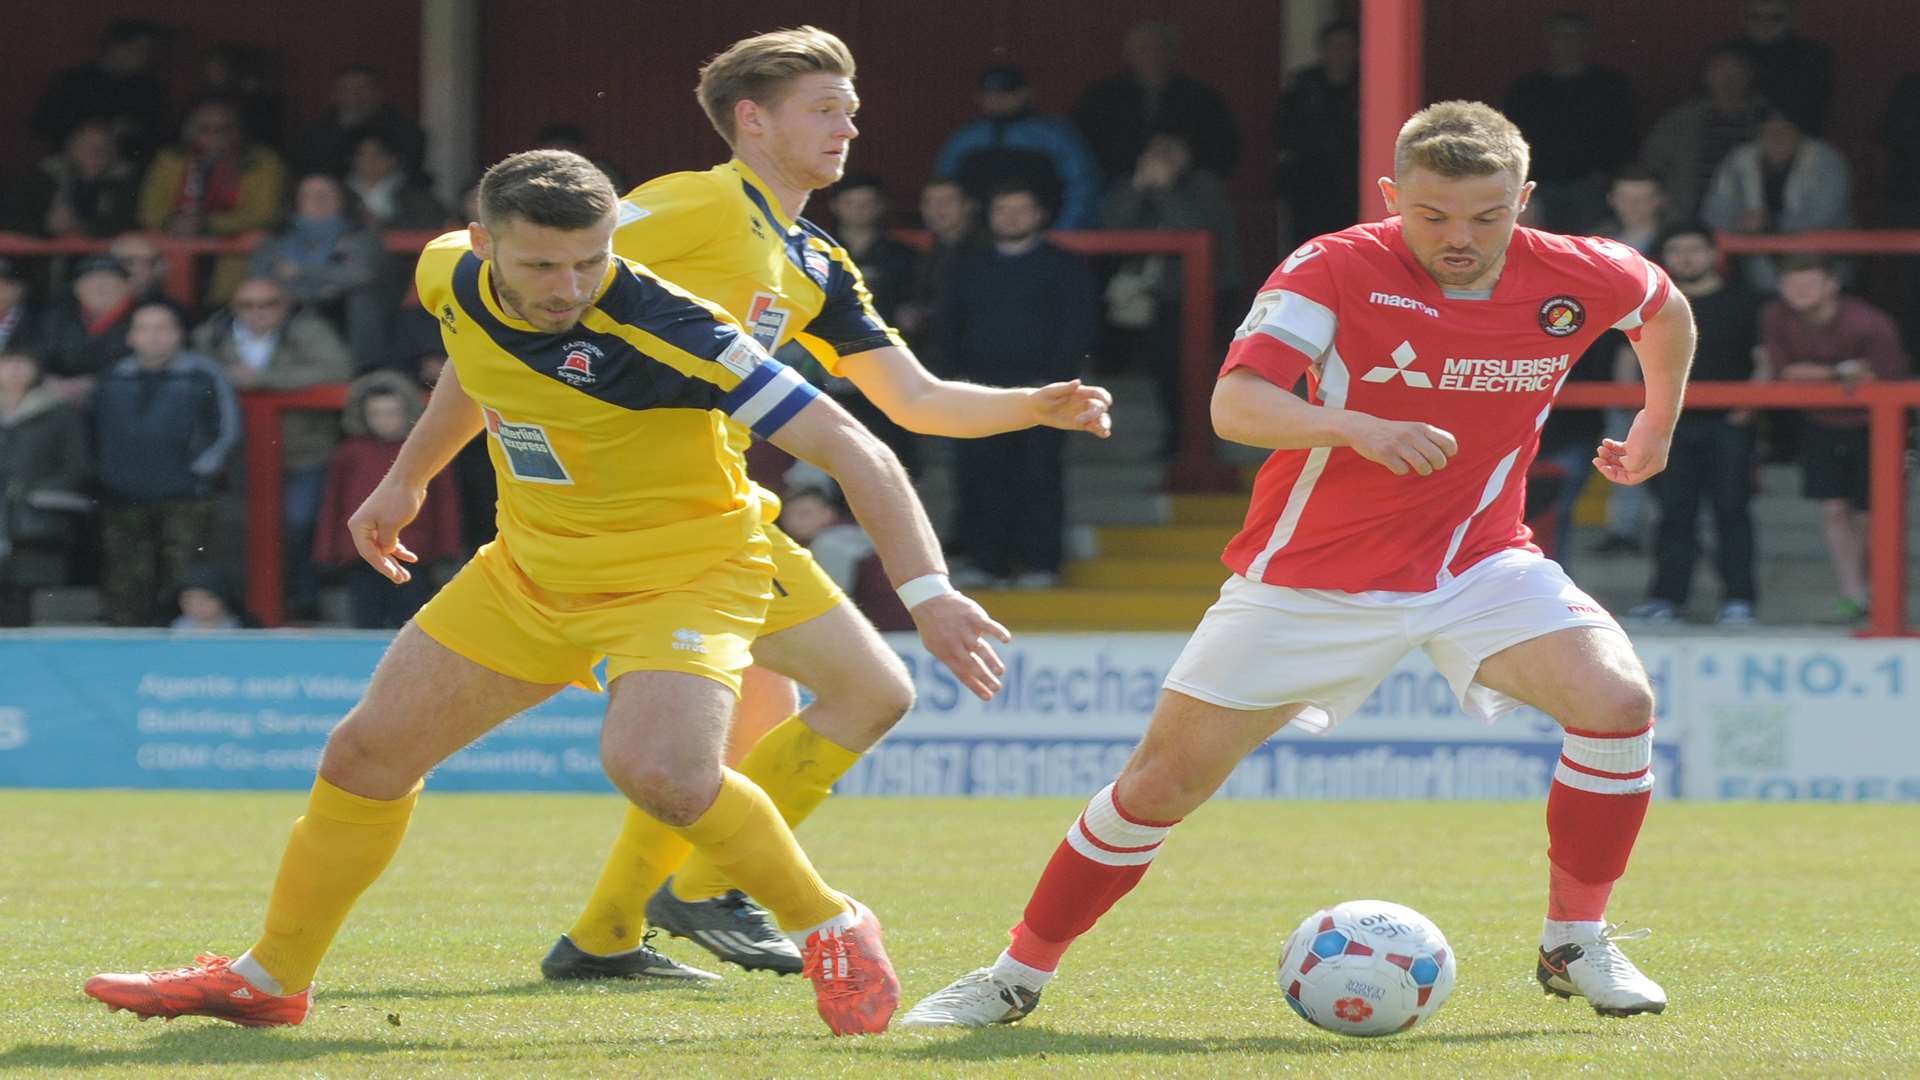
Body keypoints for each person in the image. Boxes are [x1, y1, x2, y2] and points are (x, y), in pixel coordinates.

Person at [83, 148, 1007, 1035]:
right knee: (363, 758)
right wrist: (407, 479)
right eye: (543, 264)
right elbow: (478, 363)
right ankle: (268, 982)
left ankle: (830, 927)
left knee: (662, 773)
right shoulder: (446, 273)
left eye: (591, 259)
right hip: (531, 570)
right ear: (481, 246)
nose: (570, 286)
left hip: (682, 575)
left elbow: (859, 449)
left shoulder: (678, 330)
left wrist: (929, 593)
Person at [900, 100, 1695, 1029]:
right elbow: (1236, 405)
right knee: (1159, 787)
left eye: (1487, 217)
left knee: (1618, 706)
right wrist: (1357, 426)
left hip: (1479, 562)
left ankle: (1576, 943)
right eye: (1433, 216)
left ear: (1524, 199)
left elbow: (1663, 309)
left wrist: (1656, 423)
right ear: (1395, 196)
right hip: (1308, 579)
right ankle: (1014, 976)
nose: (1461, 239)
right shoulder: (1334, 265)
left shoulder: (1578, 270)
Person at [541, 26, 1111, 984]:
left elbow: (915, 399)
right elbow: (529, 265)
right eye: (825, 107)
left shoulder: (813, 259)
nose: (850, 124)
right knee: (860, 694)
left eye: (849, 107)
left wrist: (1031, 406)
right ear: (751, 120)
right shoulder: (692, 201)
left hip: (717, 507)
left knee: (773, 725)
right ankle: (692, 897)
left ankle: (608, 935)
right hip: (647, 513)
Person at [939, 182, 1098, 587]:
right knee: (980, 474)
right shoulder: (967, 265)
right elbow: (947, 327)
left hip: (1047, 392)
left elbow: (1076, 329)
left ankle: (1041, 563)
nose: (1011, 217)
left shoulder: (1064, 266)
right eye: (1002, 208)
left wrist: (1060, 381)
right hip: (978, 394)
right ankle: (985, 561)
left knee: (1039, 475)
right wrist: (953, 382)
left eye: (1021, 208)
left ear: (1040, 214)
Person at [193, 276, 354, 620]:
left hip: (304, 452)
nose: (258, 312)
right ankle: (241, 606)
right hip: (236, 460)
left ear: (285, 305)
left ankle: (300, 601)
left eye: (268, 303)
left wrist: (265, 380)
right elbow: (196, 373)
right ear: (234, 308)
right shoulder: (213, 335)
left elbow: (338, 369)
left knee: (298, 524)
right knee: (235, 530)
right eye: (247, 305)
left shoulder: (309, 331)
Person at [1627, 224, 1761, 626]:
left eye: (1695, 249)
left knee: (1732, 510)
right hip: (1668, 424)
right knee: (1672, 511)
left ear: (1712, 253)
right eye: (1677, 249)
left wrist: (1749, 403)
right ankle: (1667, 599)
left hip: (1729, 423)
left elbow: (1764, 356)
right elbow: (1628, 360)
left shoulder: (1744, 300)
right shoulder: (1651, 305)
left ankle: (1739, 600)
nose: (1686, 257)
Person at [1762, 254, 1908, 622]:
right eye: (1792, 285)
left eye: (1809, 283)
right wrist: (1840, 372)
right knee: (1833, 509)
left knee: (1871, 514)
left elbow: (1888, 380)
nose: (1799, 292)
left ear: (1832, 285)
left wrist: (1814, 374)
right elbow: (1783, 372)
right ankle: (1852, 592)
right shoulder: (1776, 316)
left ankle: (1880, 592)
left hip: (1875, 425)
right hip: (1818, 423)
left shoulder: (1870, 323)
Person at [90, 300, 240, 627]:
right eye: (144, 328)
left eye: (162, 328)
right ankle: (127, 646)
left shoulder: (203, 374)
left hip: (185, 495)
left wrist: (201, 469)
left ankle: (177, 647)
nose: (153, 337)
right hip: (122, 494)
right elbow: (94, 432)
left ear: (178, 334)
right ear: (131, 337)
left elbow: (227, 428)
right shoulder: (113, 377)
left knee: (184, 576)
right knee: (125, 577)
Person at [1100, 129, 1240, 456]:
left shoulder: (1205, 186)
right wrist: (1137, 188)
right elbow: (1111, 228)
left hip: (1201, 296)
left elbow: (1197, 231)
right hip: (1148, 297)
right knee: (1160, 369)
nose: (1161, 159)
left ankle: (1197, 445)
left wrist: (1163, 191)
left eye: (1170, 151)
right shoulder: (1133, 184)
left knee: (1192, 372)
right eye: (1155, 151)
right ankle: (1174, 439)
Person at [314, 371, 463, 629]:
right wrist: (327, 551)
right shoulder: (349, 453)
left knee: (409, 624)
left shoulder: (427, 450)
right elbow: (332, 505)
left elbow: (445, 505)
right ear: (363, 415)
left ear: (408, 411)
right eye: (377, 413)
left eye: (392, 412)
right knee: (365, 622)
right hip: (360, 555)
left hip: (414, 553)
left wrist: (448, 549)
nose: (385, 421)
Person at [136, 98, 288, 306]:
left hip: (235, 257)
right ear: (191, 131)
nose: (214, 136)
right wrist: (171, 222)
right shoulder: (170, 160)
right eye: (205, 129)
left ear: (238, 131)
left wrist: (208, 223)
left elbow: (266, 213)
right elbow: (149, 208)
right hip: (174, 249)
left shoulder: (262, 162)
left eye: (223, 129)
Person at [1501, 12, 1636, 234]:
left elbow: (1624, 135)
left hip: (1594, 185)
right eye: (1560, 37)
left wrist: (1608, 176)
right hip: (1539, 184)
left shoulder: (1610, 87)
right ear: (1548, 41)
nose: (1566, 44)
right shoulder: (1527, 89)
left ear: (1586, 41)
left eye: (1574, 37)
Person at [1700, 107, 1851, 294]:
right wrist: (1739, 222)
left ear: (1799, 134)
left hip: (1819, 255)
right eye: (1769, 131)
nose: (1777, 137)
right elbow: (1714, 213)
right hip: (1753, 257)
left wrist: (1769, 222)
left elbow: (1823, 216)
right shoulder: (1740, 160)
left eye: (1785, 130)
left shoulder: (1824, 159)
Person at [935, 65, 1104, 229]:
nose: (997, 100)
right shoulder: (964, 139)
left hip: (1042, 241)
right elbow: (942, 190)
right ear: (978, 97)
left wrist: (1061, 236)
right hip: (976, 244)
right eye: (989, 94)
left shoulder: (1054, 136)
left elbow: (1083, 189)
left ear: (1024, 94)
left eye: (1006, 93)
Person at [248, 173, 388, 368]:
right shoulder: (276, 238)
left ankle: (359, 370)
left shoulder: (359, 235)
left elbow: (361, 273)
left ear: (341, 200)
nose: (318, 201)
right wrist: (315, 289)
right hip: (286, 308)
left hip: (339, 313)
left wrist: (301, 272)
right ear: (296, 200)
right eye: (309, 195)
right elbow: (260, 278)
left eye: (326, 195)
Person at [1071, 21, 1240, 182]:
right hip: (1117, 185)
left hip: (1186, 187)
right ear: (1129, 55)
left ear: (1173, 54)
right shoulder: (1100, 98)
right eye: (1143, 50)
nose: (1152, 56)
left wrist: (1185, 156)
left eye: (1160, 49)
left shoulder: (1201, 98)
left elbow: (1224, 147)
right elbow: (1080, 148)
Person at [0, 345, 91, 626]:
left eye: (22, 362)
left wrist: (35, 496)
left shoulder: (60, 413)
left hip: (38, 523)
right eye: (7, 362)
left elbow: (78, 465)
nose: (14, 369)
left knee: (30, 600)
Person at [1640, 45, 1768, 221]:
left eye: (1735, 70)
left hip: (1750, 220)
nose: (1728, 78)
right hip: (1685, 218)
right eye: (1719, 70)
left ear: (1750, 75)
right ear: (1706, 76)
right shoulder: (1679, 121)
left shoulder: (1769, 120)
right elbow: (1650, 168)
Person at [28, 19, 171, 162]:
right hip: (71, 163)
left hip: (127, 169)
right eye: (138, 49)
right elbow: (43, 124)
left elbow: (157, 135)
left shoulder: (149, 89)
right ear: (115, 47)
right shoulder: (74, 81)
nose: (144, 57)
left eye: (148, 52)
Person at [1274, 18, 1361, 245]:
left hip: (1353, 179)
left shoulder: (1367, 85)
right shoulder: (1302, 85)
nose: (1340, 53)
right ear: (1322, 50)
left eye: (1346, 46)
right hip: (1309, 180)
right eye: (1334, 46)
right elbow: (1285, 131)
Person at [6, 120, 142, 240]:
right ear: (69, 148)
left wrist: (80, 227)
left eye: (104, 146)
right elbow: (14, 223)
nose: (96, 152)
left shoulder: (124, 184)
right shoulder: (41, 180)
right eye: (87, 144)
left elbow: (129, 227)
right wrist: (46, 226)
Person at [293, 64, 428, 179]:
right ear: (335, 94)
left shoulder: (404, 131)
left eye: (362, 88)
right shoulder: (314, 134)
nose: (354, 96)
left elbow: (408, 173)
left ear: (378, 94)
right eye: (346, 89)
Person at [1719, 0, 1833, 135]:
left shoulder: (1814, 57)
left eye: (1776, 18)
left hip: (1793, 142)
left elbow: (1807, 112)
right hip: (1729, 138)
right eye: (1755, 17)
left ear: (1792, 19)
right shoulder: (1724, 55)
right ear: (1743, 18)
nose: (1764, 24)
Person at [40, 256, 137, 406]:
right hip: (59, 402)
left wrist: (94, 383)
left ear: (128, 286)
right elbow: (34, 354)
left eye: (108, 281)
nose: (99, 287)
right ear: (76, 288)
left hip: (120, 401)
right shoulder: (58, 317)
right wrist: (48, 380)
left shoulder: (145, 317)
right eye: (90, 281)